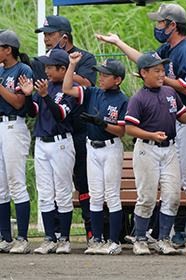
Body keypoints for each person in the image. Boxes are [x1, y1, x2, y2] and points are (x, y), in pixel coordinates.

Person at [95, 3, 186, 248]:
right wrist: (120, 44)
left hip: (181, 119)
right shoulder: (168, 47)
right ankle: (151, 236)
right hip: (162, 125)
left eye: (160, 23)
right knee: (157, 190)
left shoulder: (185, 50)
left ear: (173, 25)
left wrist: (159, 78)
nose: (157, 27)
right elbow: (145, 61)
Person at [33, 15, 97, 240]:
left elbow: (88, 84)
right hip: (52, 131)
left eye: (50, 34)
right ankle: (57, 234)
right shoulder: (44, 62)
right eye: (44, 35)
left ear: (64, 37)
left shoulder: (85, 57)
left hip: (79, 130)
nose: (46, 39)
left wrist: (67, 68)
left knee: (83, 182)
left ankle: (92, 232)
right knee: (54, 185)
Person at [124, 52, 186, 255]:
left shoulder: (170, 92)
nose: (161, 74)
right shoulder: (138, 98)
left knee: (172, 196)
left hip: (169, 148)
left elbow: (180, 117)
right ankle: (140, 239)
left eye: (163, 70)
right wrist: (151, 134)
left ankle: (163, 238)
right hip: (147, 148)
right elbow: (129, 129)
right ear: (143, 73)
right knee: (146, 197)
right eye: (156, 70)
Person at [62, 52, 129, 255]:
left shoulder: (122, 99)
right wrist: (72, 65)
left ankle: (114, 242)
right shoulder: (93, 92)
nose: (100, 78)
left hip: (111, 147)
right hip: (92, 147)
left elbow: (121, 131)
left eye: (105, 75)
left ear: (117, 80)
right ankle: (97, 240)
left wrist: (102, 123)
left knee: (112, 195)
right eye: (99, 74)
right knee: (96, 196)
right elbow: (66, 88)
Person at [19, 49, 77, 254]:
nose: (46, 71)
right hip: (42, 143)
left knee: (62, 192)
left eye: (50, 67)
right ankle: (49, 238)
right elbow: (32, 112)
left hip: (61, 143)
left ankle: (65, 239)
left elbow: (61, 114)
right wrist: (28, 96)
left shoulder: (70, 88)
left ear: (63, 69)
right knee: (44, 193)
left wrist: (44, 95)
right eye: (45, 67)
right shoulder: (46, 86)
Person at [0, 29, 33, 254]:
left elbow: (20, 103)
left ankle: (22, 238)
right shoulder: (1, 70)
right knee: (1, 187)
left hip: (14, 125)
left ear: (8, 49)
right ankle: (5, 237)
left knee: (15, 182)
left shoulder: (22, 69)